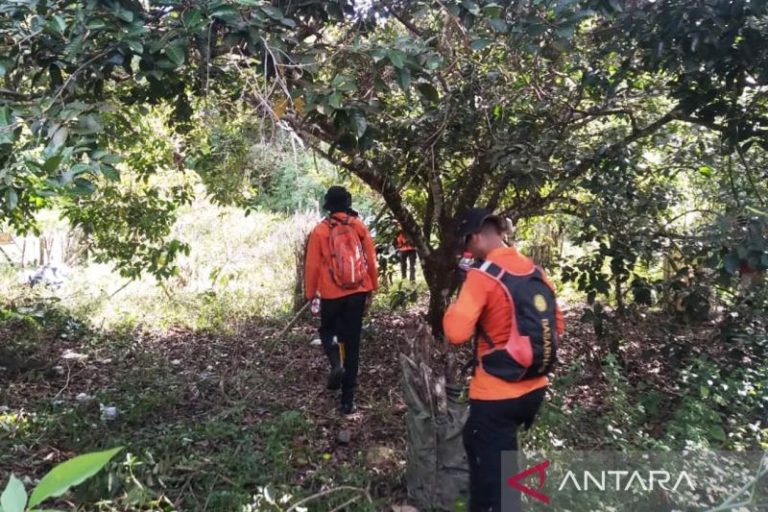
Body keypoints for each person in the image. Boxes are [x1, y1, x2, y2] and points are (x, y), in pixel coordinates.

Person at [443, 208, 565, 512]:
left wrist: (453, 303)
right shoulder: (536, 272)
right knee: (498, 463)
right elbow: (557, 326)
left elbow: (456, 333)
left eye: (466, 244)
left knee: (491, 489)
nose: (466, 251)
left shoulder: (482, 277)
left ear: (474, 237)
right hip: (533, 388)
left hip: (496, 394)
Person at [305, 186, 378, 414]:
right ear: (347, 204)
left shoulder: (319, 231)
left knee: (327, 331)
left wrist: (310, 295)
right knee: (353, 344)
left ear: (328, 206)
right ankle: (348, 401)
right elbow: (371, 260)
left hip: (331, 294)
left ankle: (336, 360)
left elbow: (312, 266)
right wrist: (372, 287)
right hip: (358, 291)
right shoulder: (358, 226)